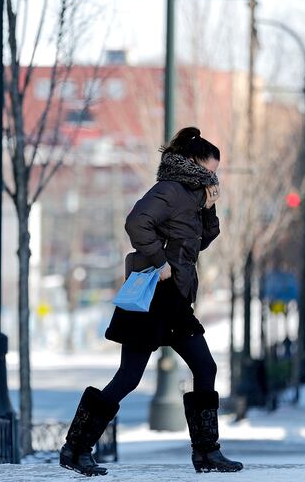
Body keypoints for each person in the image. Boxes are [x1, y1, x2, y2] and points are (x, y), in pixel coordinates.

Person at [60, 127, 244, 476]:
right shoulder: (169, 191)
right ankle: (76, 447)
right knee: (129, 377)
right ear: (193, 165)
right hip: (152, 297)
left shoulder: (192, 198)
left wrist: (209, 208)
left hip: (176, 300)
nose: (213, 178)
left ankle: (206, 453)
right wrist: (159, 262)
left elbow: (200, 243)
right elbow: (136, 222)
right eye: (210, 171)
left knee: (205, 368)